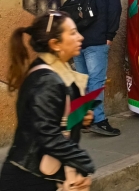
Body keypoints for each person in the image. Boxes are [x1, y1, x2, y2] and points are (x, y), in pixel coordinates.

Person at [1, 12, 94, 190]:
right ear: (55, 44)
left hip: (43, 173)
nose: (80, 37)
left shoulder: (59, 71)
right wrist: (85, 165)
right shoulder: (47, 79)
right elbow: (48, 134)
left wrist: (80, 118)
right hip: (28, 179)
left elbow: (54, 117)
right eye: (73, 33)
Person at [73, 0, 122, 136]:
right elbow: (115, 13)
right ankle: (98, 120)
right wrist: (110, 36)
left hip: (77, 44)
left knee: (83, 82)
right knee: (96, 81)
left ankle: (84, 120)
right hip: (97, 43)